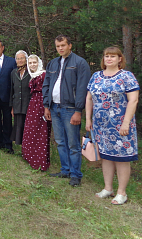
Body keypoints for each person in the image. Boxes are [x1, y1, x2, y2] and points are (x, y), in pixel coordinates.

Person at [86, 47, 139, 205]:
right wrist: (88, 119)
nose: (109, 59)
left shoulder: (126, 77)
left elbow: (133, 100)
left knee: (122, 158)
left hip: (120, 125)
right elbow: (89, 98)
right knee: (106, 157)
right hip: (101, 126)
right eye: (106, 56)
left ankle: (121, 192)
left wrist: (126, 122)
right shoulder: (96, 76)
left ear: (119, 59)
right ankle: (108, 188)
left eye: (112, 56)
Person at [43, 34, 91, 187]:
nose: (60, 48)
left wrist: (78, 110)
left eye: (63, 45)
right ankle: (65, 170)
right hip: (54, 107)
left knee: (73, 144)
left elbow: (83, 88)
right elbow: (47, 85)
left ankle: (76, 175)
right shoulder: (53, 63)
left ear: (70, 45)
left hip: (70, 109)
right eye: (58, 46)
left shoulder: (80, 63)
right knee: (60, 141)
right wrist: (46, 105)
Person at [22, 54, 51, 171]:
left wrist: (46, 106)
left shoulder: (43, 74)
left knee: (41, 130)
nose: (32, 65)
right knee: (31, 129)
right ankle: (30, 156)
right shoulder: (32, 76)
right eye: (30, 63)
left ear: (39, 63)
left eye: (34, 62)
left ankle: (40, 160)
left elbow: (47, 90)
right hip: (33, 103)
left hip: (41, 103)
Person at [10, 50, 31, 146]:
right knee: (19, 125)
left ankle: (29, 145)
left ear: (26, 59)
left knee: (28, 126)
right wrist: (12, 106)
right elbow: (11, 90)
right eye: (18, 58)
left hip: (28, 103)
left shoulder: (31, 72)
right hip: (17, 104)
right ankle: (20, 145)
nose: (20, 60)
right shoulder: (14, 72)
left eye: (22, 58)